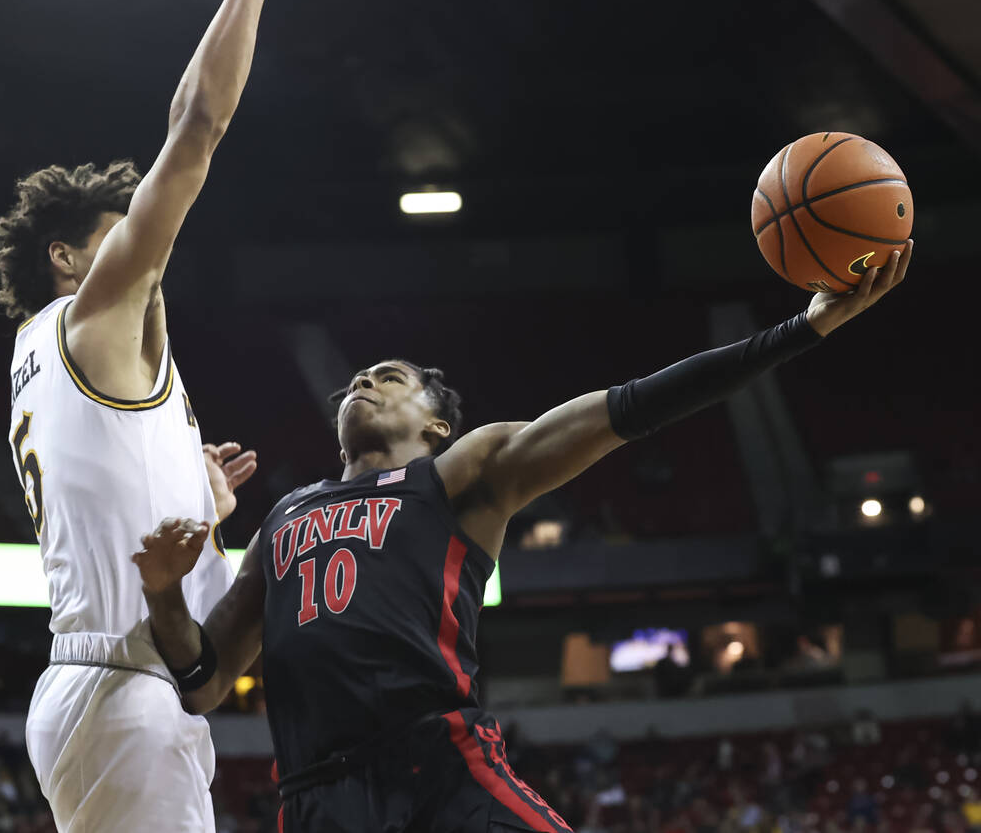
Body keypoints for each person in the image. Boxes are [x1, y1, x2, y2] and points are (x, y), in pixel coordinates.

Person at [133, 244, 911, 832]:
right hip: (314, 799)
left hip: (436, 769)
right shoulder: (284, 515)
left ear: (436, 425)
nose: (366, 379)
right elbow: (203, 680)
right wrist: (165, 593)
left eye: (390, 376)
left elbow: (632, 407)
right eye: (361, 376)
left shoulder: (463, 475)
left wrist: (796, 332)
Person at [0, 0, 298, 827]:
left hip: (117, 683)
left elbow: (100, 488)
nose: (147, 248)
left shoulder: (50, 352)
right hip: (122, 685)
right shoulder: (89, 316)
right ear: (68, 257)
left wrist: (198, 507)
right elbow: (197, 126)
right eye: (124, 235)